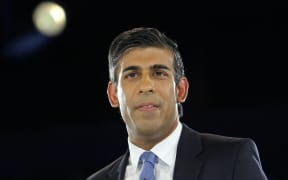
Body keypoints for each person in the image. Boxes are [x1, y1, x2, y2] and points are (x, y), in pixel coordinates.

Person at [86, 27, 268, 180]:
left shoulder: (232, 159)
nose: (146, 86)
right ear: (113, 95)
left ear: (181, 90)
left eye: (159, 73)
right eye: (132, 75)